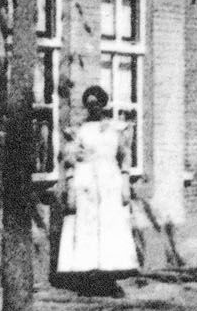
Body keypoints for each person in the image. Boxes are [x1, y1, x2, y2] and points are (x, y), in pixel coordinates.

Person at [56, 86, 139, 293]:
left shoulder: (115, 129)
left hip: (110, 182)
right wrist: (72, 183)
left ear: (104, 104)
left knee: (109, 227)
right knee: (88, 227)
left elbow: (124, 157)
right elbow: (71, 159)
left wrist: (125, 183)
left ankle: (109, 277)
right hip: (87, 182)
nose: (94, 107)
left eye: (97, 103)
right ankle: (89, 277)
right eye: (89, 104)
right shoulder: (79, 131)